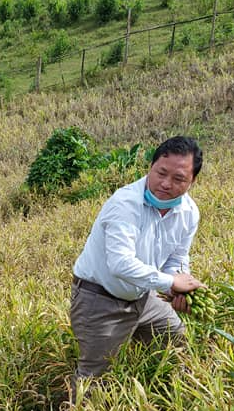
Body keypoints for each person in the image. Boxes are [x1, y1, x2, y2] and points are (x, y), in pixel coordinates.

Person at [70, 135, 205, 380]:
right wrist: (170, 283)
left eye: (178, 179)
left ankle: (158, 397)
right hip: (100, 299)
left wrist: (179, 289)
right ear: (150, 167)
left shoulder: (189, 213)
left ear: (192, 181)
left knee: (175, 340)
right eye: (161, 173)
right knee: (94, 377)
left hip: (143, 297)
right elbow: (120, 264)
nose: (165, 184)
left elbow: (177, 259)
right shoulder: (125, 204)